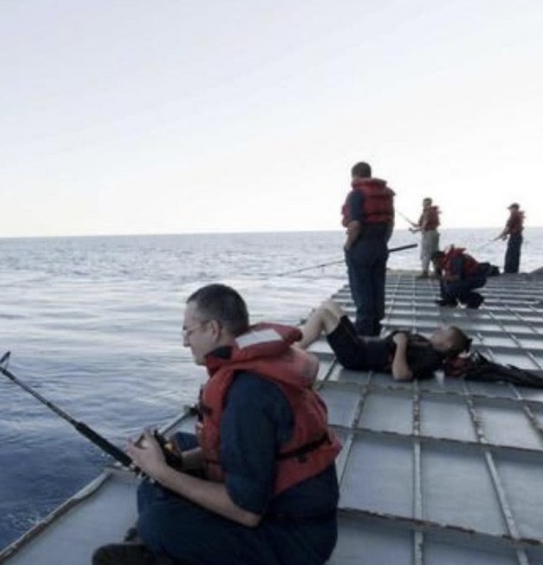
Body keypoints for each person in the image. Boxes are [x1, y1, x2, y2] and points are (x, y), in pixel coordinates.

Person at [93, 284, 340, 565]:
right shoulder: (254, 369)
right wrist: (172, 463)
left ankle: (155, 545)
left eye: (188, 330)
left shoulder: (248, 395)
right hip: (281, 504)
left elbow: (247, 512)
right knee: (181, 448)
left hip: (295, 540)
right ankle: (157, 546)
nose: (185, 342)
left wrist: (162, 472)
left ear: (212, 329)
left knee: (158, 520)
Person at [297, 299, 472, 381]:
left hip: (356, 357)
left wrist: (402, 344)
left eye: (443, 332)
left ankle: (295, 349)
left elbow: (400, 375)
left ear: (447, 344)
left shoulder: (430, 359)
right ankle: (297, 343)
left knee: (322, 315)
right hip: (361, 344)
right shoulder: (429, 347)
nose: (438, 330)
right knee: (329, 304)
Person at [341, 161, 395, 337]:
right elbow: (390, 223)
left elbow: (355, 224)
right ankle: (375, 329)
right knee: (377, 287)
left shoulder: (356, 194)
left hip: (361, 246)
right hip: (380, 245)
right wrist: (383, 243)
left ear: (355, 176)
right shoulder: (386, 195)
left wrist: (348, 246)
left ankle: (363, 334)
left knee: (361, 289)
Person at [408, 197, 441, 278]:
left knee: (426, 253)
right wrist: (416, 227)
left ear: (426, 203)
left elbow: (425, 224)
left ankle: (425, 272)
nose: (423, 204)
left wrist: (417, 230)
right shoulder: (434, 211)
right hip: (435, 233)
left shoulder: (427, 212)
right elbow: (424, 224)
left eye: (424, 203)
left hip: (428, 234)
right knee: (435, 252)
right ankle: (437, 272)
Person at [498, 202, 525, 274]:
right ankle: (514, 270)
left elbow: (508, 227)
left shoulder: (513, 215)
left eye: (510, 209)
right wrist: (505, 234)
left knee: (510, 254)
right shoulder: (519, 215)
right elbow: (514, 227)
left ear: (514, 208)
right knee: (515, 254)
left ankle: (508, 271)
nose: (510, 210)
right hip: (518, 237)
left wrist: (502, 234)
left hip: (515, 237)